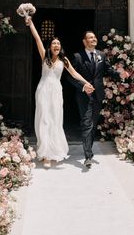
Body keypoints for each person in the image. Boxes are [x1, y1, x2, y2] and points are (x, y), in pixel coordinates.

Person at [25, 17, 94, 168]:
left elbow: (75, 74)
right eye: (53, 43)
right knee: (44, 120)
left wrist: (86, 82)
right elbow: (37, 38)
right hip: (43, 90)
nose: (56, 45)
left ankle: (54, 151)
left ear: (60, 47)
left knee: (55, 120)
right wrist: (30, 24)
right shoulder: (44, 56)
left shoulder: (64, 60)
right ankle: (45, 155)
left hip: (56, 91)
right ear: (50, 47)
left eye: (58, 43)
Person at [71, 30, 122, 167]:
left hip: (98, 95)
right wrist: (82, 86)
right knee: (87, 123)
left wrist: (120, 75)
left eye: (94, 37)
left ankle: (89, 149)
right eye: (90, 37)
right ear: (84, 41)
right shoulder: (77, 57)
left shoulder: (101, 55)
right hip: (83, 96)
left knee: (93, 125)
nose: (93, 39)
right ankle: (88, 155)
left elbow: (108, 70)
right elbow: (70, 76)